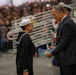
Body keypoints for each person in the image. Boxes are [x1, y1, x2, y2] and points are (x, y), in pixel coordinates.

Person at [46, 5, 76, 75]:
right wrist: (55, 47)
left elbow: (64, 42)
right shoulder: (63, 22)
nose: (54, 17)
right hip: (66, 58)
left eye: (54, 14)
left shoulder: (67, 23)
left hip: (69, 58)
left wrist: (52, 52)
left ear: (60, 12)